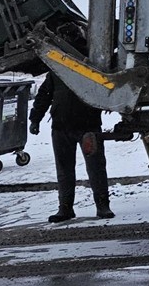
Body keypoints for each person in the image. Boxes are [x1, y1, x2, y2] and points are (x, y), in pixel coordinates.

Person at [29, 72, 114, 222]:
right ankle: (65, 207)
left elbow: (109, 89)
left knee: (96, 167)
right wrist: (35, 119)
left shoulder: (90, 68)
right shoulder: (56, 71)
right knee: (64, 169)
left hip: (88, 126)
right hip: (62, 127)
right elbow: (44, 95)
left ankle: (102, 205)